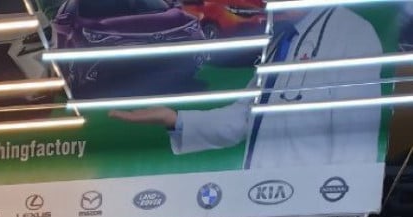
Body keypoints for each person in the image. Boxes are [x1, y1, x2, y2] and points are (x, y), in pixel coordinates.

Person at [111, 6, 382, 171]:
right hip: (260, 197)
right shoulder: (280, 42)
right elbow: (244, 117)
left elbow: (358, 136)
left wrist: (346, 209)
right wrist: (175, 119)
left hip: (318, 207)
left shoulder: (353, 32)